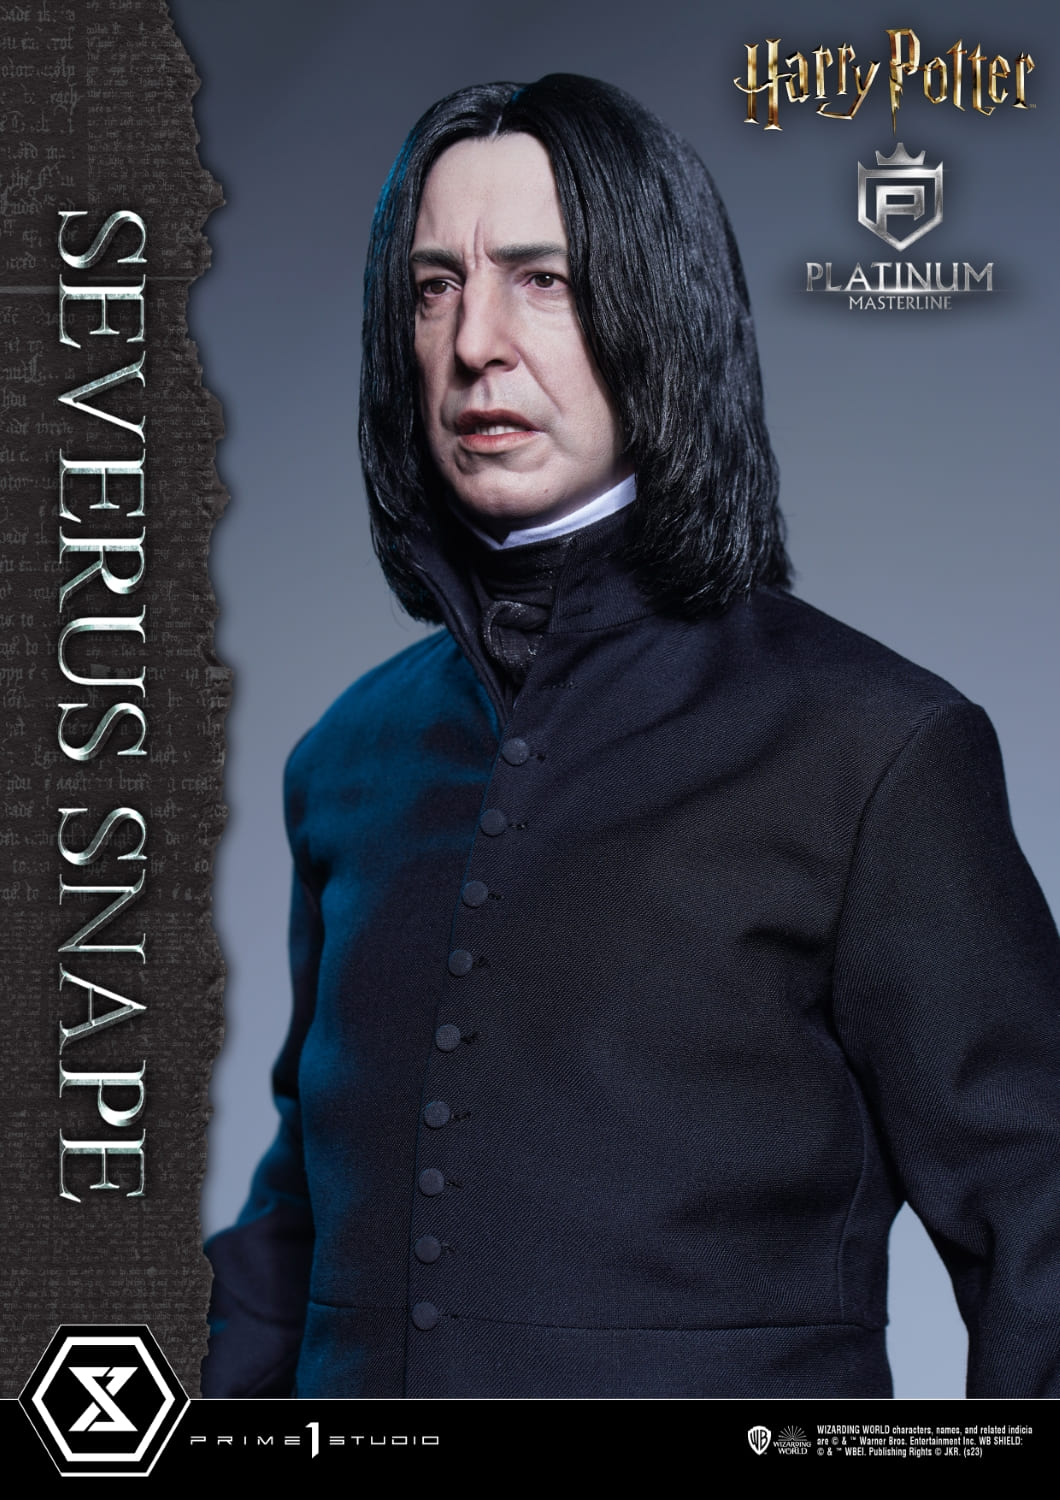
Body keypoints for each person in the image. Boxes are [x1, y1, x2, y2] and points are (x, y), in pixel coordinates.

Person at [203, 74, 1060, 1400]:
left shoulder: (877, 748)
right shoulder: (348, 757)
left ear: (657, 306)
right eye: (434, 287)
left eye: (540, 279)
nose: (475, 341)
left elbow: (1039, 1238)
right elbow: (307, 1216)